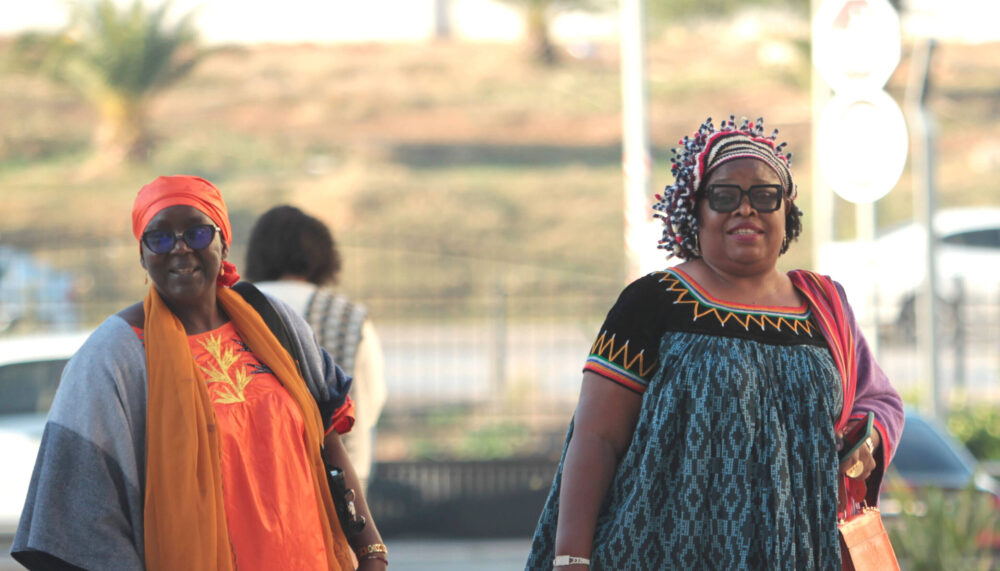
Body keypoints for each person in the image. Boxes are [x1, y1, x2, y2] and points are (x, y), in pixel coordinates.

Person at [525, 117, 905, 570]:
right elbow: (595, 438)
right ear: (695, 211)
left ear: (788, 211)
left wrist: (865, 441)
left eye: (765, 196)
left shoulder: (825, 308)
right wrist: (571, 558)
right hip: (660, 553)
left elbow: (879, 402)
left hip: (796, 552)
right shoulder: (654, 303)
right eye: (724, 197)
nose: (746, 210)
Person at [12, 175, 388, 570]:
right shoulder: (114, 355)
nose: (179, 250)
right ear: (142, 254)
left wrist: (371, 551)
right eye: (159, 238)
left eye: (195, 233)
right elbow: (79, 513)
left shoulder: (272, 322)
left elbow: (326, 439)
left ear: (222, 241)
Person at [244, 205, 387, 491]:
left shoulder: (233, 308)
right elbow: (373, 399)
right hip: (339, 479)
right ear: (324, 257)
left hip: (252, 476)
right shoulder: (348, 316)